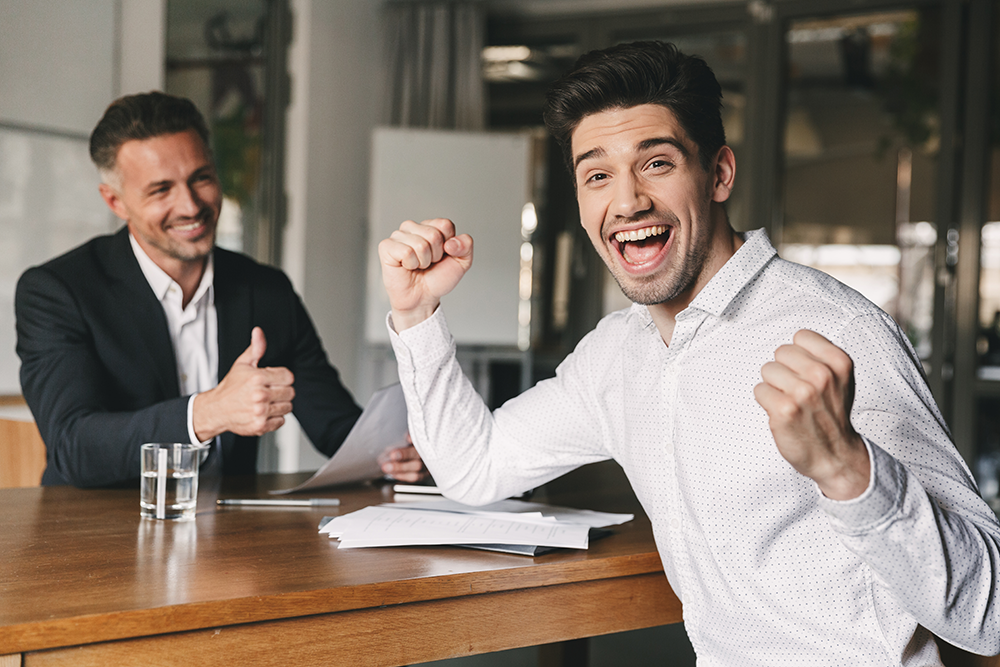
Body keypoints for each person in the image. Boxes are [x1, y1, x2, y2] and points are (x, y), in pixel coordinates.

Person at [378, 41, 1000, 664]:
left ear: (720, 173)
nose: (627, 202)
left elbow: (991, 616)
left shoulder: (838, 331)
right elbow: (475, 467)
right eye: (597, 175)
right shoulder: (616, 356)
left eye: (657, 163)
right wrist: (416, 315)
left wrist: (849, 470)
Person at [16, 91, 423, 487]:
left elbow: (334, 424)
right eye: (161, 190)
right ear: (115, 202)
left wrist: (399, 455)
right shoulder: (57, 291)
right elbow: (73, 445)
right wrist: (208, 413)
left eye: (202, 178)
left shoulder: (266, 290)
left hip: (229, 537)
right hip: (91, 538)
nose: (191, 206)